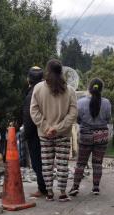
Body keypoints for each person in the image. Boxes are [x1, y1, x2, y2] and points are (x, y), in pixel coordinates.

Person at [30, 59, 77, 202]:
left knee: (47, 164)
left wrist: (46, 127)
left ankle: (49, 193)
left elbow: (34, 110)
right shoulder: (69, 90)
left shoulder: (38, 88)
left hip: (44, 135)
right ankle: (62, 193)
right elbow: (73, 113)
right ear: (61, 71)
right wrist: (58, 128)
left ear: (47, 71)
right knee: (63, 164)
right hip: (63, 134)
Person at [68, 78, 111, 196]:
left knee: (81, 163)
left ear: (89, 88)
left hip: (85, 135)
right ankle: (96, 187)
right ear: (102, 89)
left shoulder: (80, 102)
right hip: (101, 135)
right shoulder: (107, 103)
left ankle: (75, 187)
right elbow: (108, 119)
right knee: (97, 163)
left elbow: (78, 119)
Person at [21, 67, 47, 198]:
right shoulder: (47, 91)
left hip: (35, 134)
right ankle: (47, 187)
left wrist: (26, 135)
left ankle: (42, 189)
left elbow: (28, 117)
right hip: (49, 131)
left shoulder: (31, 94)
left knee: (38, 162)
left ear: (28, 80)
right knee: (47, 161)